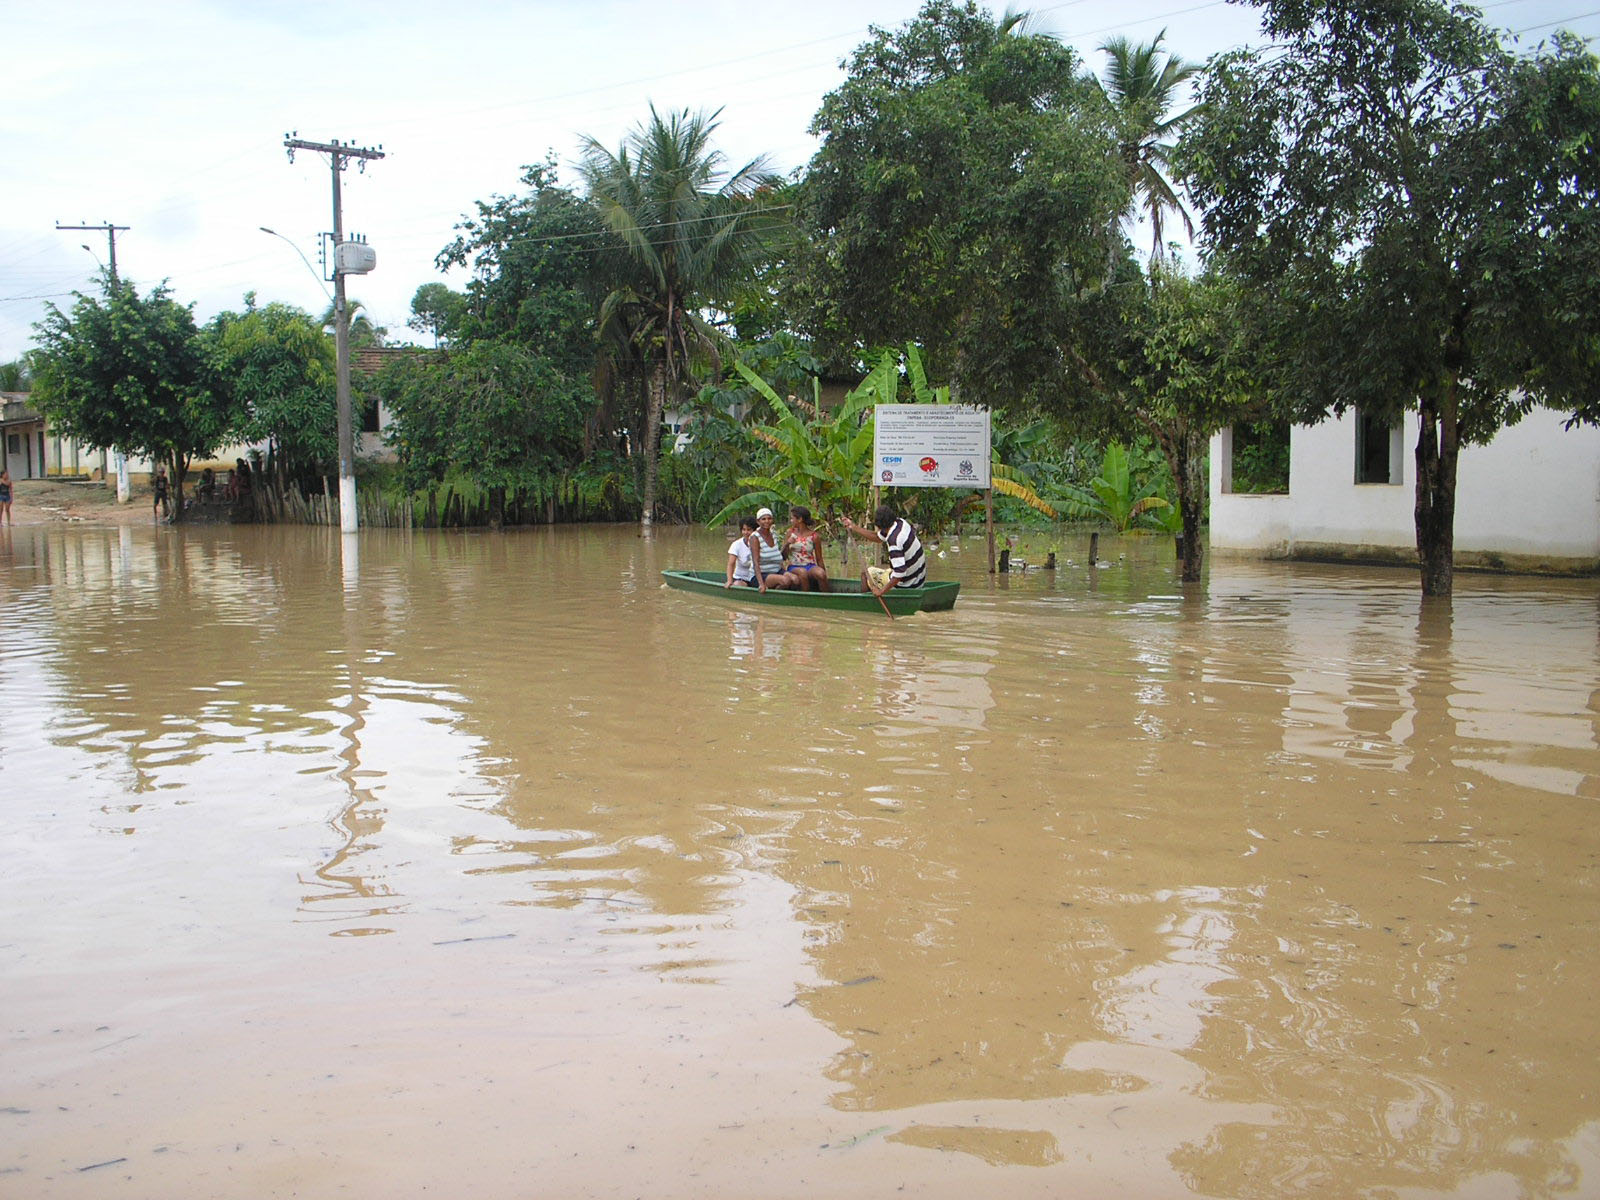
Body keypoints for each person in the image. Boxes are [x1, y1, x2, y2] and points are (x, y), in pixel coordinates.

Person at [841, 505, 926, 596]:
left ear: (879, 526)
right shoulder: (900, 523)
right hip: (919, 580)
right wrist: (853, 527)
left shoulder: (894, 541)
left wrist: (881, 592)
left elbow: (900, 573)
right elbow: (877, 537)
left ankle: (866, 604)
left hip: (908, 585)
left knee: (865, 574)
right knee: (885, 572)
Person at [783, 505, 829, 593]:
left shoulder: (814, 536)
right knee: (802, 573)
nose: (791, 521)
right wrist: (788, 543)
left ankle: (827, 597)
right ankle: (806, 597)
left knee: (821, 574)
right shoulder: (790, 533)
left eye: (792, 518)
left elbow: (819, 559)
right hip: (794, 566)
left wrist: (824, 574)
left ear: (800, 519)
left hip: (810, 565)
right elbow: (783, 556)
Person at [750, 506, 791, 592]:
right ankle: (775, 596)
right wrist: (761, 584)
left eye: (769, 518)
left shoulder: (774, 534)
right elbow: (755, 562)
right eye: (763, 519)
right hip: (761, 575)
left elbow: (781, 556)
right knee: (785, 580)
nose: (767, 521)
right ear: (758, 521)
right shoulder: (755, 537)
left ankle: (777, 591)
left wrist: (787, 543)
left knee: (795, 579)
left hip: (777, 570)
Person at [724, 515, 760, 588]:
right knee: (738, 585)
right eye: (744, 529)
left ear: (755, 531)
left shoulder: (761, 543)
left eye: (749, 530)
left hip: (757, 578)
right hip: (741, 578)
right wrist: (730, 580)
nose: (746, 532)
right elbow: (731, 564)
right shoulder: (737, 545)